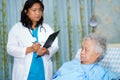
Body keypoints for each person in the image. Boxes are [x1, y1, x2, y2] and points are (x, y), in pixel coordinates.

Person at [7, 0, 58, 80]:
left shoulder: (46, 28)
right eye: (34, 10)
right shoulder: (17, 28)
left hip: (43, 72)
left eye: (40, 10)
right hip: (24, 72)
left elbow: (55, 46)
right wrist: (29, 49)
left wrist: (46, 51)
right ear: (26, 12)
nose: (38, 13)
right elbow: (10, 49)